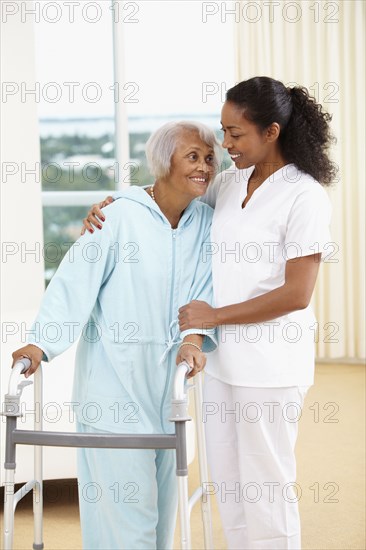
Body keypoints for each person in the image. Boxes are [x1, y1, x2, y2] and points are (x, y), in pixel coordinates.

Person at [81, 76, 335, 549]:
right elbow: (170, 192)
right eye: (224, 131)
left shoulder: (305, 196)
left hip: (271, 366)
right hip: (220, 365)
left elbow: (297, 293)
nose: (225, 144)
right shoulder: (228, 184)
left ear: (272, 133)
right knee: (229, 488)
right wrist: (110, 207)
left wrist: (211, 318)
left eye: (235, 134)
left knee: (267, 487)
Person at [12, 121, 222, 550]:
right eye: (193, 157)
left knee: (163, 509)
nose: (204, 166)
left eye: (208, 157)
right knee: (125, 510)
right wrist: (42, 342)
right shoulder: (118, 215)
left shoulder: (206, 222)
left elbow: (206, 288)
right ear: (164, 163)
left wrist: (194, 338)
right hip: (113, 385)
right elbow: (74, 282)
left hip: (168, 385)